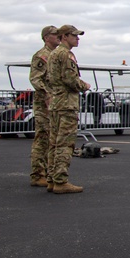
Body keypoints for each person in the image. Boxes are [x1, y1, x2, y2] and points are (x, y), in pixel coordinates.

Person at [46, 25, 91, 194]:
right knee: (65, 143)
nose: (77, 39)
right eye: (74, 36)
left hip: (57, 102)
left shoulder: (53, 54)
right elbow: (70, 79)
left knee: (54, 143)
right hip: (66, 103)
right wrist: (84, 85)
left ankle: (52, 179)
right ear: (64, 36)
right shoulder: (65, 54)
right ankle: (60, 181)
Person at [29, 25, 60, 187]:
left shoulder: (55, 55)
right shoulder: (42, 56)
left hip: (55, 102)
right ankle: (37, 174)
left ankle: (48, 172)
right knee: (42, 138)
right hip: (44, 103)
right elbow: (35, 79)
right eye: (55, 35)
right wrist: (47, 95)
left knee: (51, 139)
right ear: (47, 37)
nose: (58, 37)